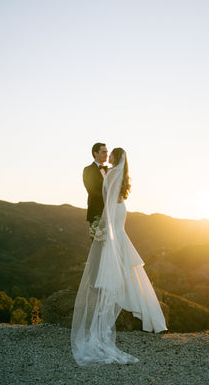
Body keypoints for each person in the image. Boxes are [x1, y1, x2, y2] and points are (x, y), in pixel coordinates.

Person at [71, 148, 167, 365]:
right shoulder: (116, 172)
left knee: (113, 248)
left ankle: (112, 285)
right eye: (104, 152)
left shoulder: (112, 173)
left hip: (113, 213)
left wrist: (103, 223)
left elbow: (107, 199)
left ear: (115, 157)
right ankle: (146, 310)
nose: (108, 156)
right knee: (117, 250)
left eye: (110, 153)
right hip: (118, 210)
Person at [83, 143, 108, 224]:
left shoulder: (109, 171)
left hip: (109, 213)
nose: (106, 155)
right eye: (103, 152)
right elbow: (92, 190)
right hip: (96, 212)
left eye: (107, 152)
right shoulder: (88, 170)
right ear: (95, 153)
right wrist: (109, 198)